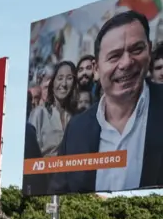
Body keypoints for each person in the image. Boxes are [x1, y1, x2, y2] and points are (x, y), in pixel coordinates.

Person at [51, 11, 163, 194]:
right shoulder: (76, 130)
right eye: (115, 56)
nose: (126, 63)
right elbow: (59, 192)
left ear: (149, 51)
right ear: (97, 67)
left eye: (137, 50)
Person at [27, 61, 77, 157]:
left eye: (69, 78)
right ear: (52, 83)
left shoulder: (76, 116)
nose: (64, 84)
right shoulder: (39, 114)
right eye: (60, 78)